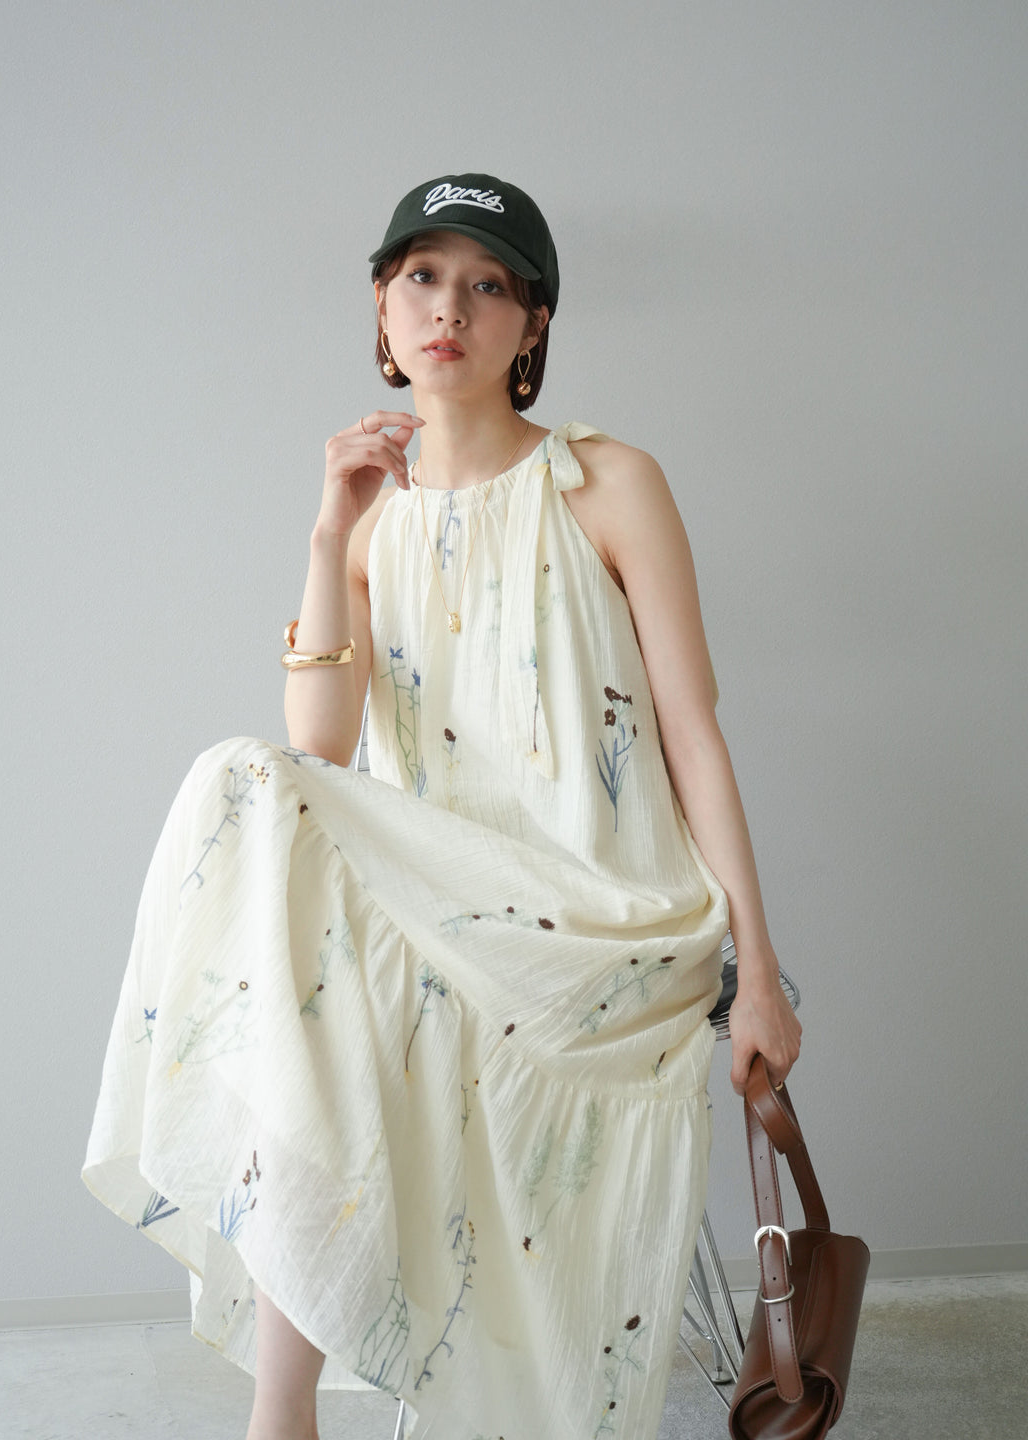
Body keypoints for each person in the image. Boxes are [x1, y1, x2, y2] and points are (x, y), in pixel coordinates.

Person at [83, 172, 801, 1440]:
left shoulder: (608, 482)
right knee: (256, 812)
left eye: (488, 285)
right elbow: (319, 749)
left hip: (608, 923)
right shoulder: (372, 527)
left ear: (534, 325)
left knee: (327, 981)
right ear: (381, 306)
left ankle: (286, 1413)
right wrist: (329, 535)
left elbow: (694, 732)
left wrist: (760, 970)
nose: (449, 309)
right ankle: (283, 1414)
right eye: (421, 276)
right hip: (443, 917)